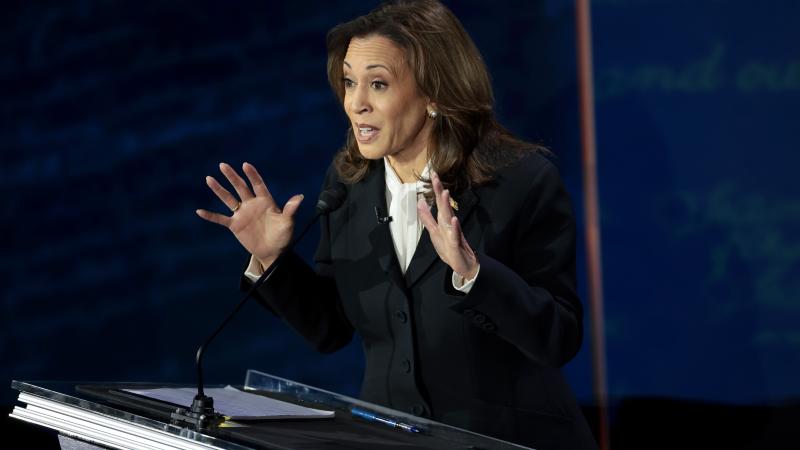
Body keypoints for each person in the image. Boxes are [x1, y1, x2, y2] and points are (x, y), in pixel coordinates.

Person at [197, 1, 597, 448]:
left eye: (378, 84)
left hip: (507, 439)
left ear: (434, 93)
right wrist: (273, 260)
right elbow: (330, 329)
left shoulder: (519, 180)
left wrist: (473, 274)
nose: (356, 103)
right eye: (349, 82)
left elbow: (559, 338)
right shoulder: (349, 183)